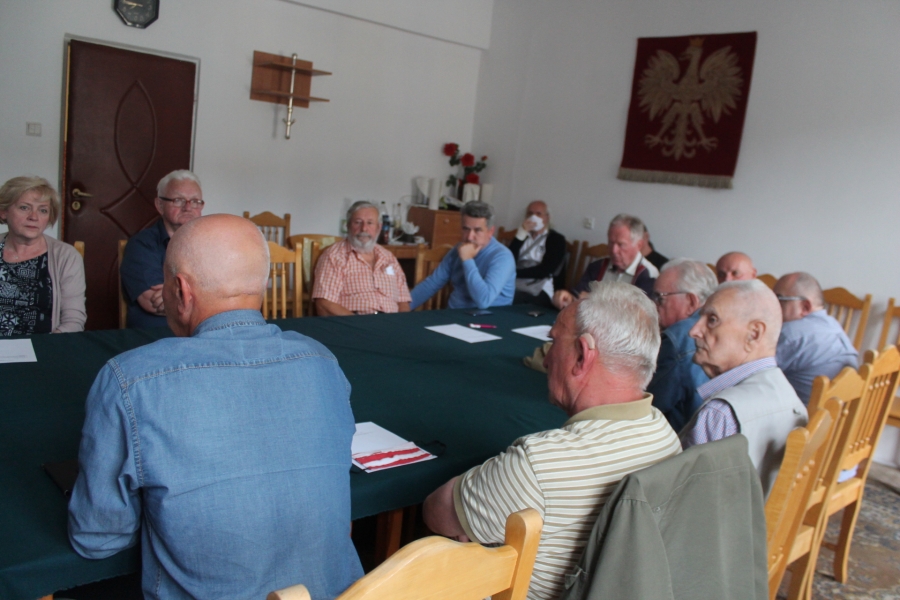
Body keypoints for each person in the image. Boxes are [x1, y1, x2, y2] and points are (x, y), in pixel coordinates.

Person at [68, 215, 363, 600]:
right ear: (262, 285)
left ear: (180, 291)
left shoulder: (130, 380)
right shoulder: (322, 361)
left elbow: (98, 537)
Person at [423, 282, 681, 600]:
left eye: (554, 341)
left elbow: (437, 512)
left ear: (582, 355)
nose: (546, 360)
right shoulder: (667, 436)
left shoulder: (539, 465)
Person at [681, 280, 808, 495]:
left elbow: (683, 499)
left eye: (712, 320)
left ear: (754, 334)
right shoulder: (790, 397)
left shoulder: (720, 414)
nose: (694, 331)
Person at [0, 176, 85, 334]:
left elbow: (74, 320)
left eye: (43, 210)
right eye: (24, 208)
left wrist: (49, 346)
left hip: (44, 344)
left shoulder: (66, 256)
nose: (34, 217)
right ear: (4, 212)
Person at [120, 169, 204, 328]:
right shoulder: (141, 245)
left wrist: (175, 294)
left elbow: (231, 296)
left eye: (195, 201)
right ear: (160, 205)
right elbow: (153, 302)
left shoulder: (211, 243)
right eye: (179, 200)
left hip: (201, 332)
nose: (188, 207)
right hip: (157, 334)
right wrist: (207, 298)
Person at [647, 258, 717, 432]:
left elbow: (647, 405)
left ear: (691, 302)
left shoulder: (679, 337)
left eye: (660, 298)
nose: (654, 305)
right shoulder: (720, 328)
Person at [410, 201, 515, 310]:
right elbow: (432, 283)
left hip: (487, 317)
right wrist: (403, 306)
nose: (469, 237)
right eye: (466, 229)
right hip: (453, 314)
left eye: (477, 230)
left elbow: (484, 301)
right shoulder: (458, 250)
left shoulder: (502, 257)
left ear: (490, 231)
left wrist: (467, 260)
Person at [313, 201, 412, 315]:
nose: (364, 228)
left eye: (370, 223)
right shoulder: (334, 256)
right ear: (348, 226)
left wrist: (402, 322)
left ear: (379, 227)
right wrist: (358, 323)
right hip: (353, 322)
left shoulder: (389, 257)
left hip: (391, 322)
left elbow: (403, 301)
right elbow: (324, 304)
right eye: (358, 222)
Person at [774, 272, 859, 403]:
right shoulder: (832, 324)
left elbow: (748, 374)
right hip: (836, 413)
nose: (772, 306)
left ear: (805, 306)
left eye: (779, 299)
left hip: (801, 415)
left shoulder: (791, 334)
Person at [553, 214, 658, 310]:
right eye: (611, 243)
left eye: (621, 244)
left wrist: (594, 299)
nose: (614, 250)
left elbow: (639, 315)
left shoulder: (649, 275)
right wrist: (567, 297)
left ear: (639, 245)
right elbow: (579, 294)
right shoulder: (597, 266)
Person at [509, 200, 566, 308]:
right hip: (516, 281)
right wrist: (521, 234)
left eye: (538, 214)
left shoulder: (556, 239)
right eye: (530, 214)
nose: (533, 217)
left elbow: (546, 270)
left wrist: (514, 273)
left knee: (511, 297)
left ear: (547, 217)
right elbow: (509, 259)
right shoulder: (522, 236)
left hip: (540, 287)